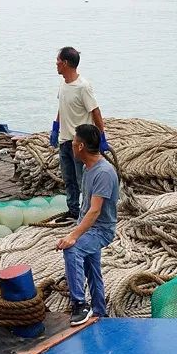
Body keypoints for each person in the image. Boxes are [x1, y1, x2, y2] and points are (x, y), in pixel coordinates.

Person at [56, 124, 119, 325]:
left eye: (74, 143)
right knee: (92, 269)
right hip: (89, 228)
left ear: (81, 146)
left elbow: (95, 211)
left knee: (72, 251)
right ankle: (100, 310)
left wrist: (73, 236)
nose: (72, 146)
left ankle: (80, 304)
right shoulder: (87, 168)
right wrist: (77, 230)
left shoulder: (104, 173)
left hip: (101, 230)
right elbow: (86, 208)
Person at [50, 46, 108, 221]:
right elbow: (62, 107)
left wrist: (102, 137)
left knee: (83, 180)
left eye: (58, 60)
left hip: (80, 143)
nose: (56, 63)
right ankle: (73, 211)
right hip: (65, 141)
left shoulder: (83, 87)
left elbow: (95, 112)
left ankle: (87, 214)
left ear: (65, 63)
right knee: (69, 180)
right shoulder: (63, 84)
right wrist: (55, 128)